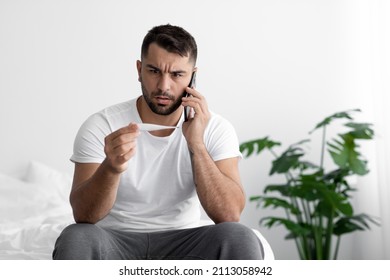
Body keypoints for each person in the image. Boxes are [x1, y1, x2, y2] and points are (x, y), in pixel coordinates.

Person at [53, 24, 264, 260]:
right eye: (154, 71)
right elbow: (83, 216)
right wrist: (111, 169)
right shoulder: (103, 125)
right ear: (139, 69)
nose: (164, 86)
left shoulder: (215, 128)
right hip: (115, 240)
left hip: (185, 243)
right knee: (76, 236)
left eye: (176, 74)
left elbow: (229, 214)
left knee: (240, 236)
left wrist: (196, 145)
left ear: (193, 76)